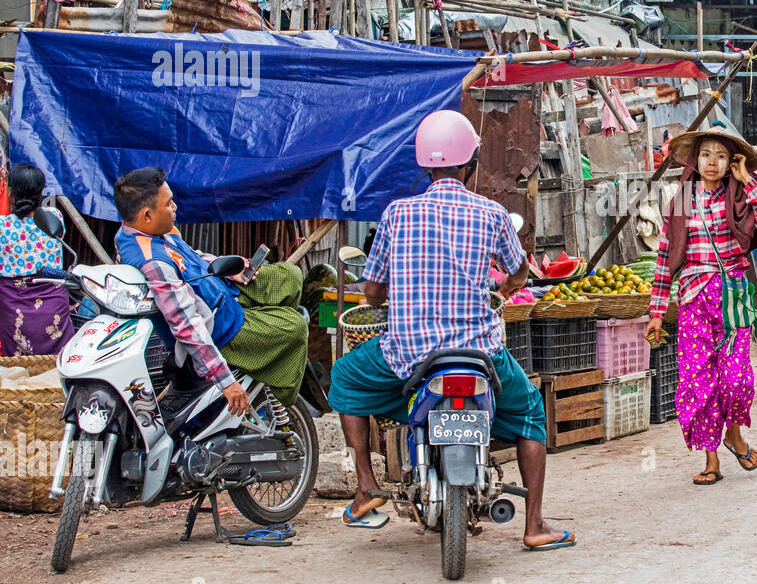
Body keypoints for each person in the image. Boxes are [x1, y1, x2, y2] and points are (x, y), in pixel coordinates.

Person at [327, 110, 574, 549]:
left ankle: (366, 485)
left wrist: (384, 298)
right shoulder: (492, 213)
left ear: (425, 165)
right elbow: (518, 275)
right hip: (480, 354)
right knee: (532, 411)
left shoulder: (397, 213)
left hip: (409, 355)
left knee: (345, 376)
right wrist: (504, 286)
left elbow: (374, 292)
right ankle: (534, 525)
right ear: (470, 163)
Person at [112, 167, 308, 417]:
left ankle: (266, 350)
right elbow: (186, 326)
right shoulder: (153, 264)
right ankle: (272, 400)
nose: (175, 208)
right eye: (169, 203)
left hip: (220, 290)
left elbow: (189, 257)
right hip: (218, 326)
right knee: (295, 327)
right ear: (147, 215)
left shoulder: (154, 231)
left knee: (289, 277)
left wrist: (228, 265)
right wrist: (225, 380)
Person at [645, 127, 757, 486]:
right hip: (692, 300)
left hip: (732, 298)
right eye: (706, 155)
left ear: (731, 161)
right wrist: (656, 312)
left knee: (735, 379)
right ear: (695, 160)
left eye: (721, 156)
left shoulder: (739, 194)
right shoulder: (682, 200)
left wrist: (745, 179)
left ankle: (734, 435)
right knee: (697, 380)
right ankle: (711, 459)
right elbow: (664, 257)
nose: (712, 162)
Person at [0, 164, 73, 355]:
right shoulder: (55, 216)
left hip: (13, 309)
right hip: (53, 305)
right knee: (55, 365)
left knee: (19, 369)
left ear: (11, 191)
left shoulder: (2, 226)